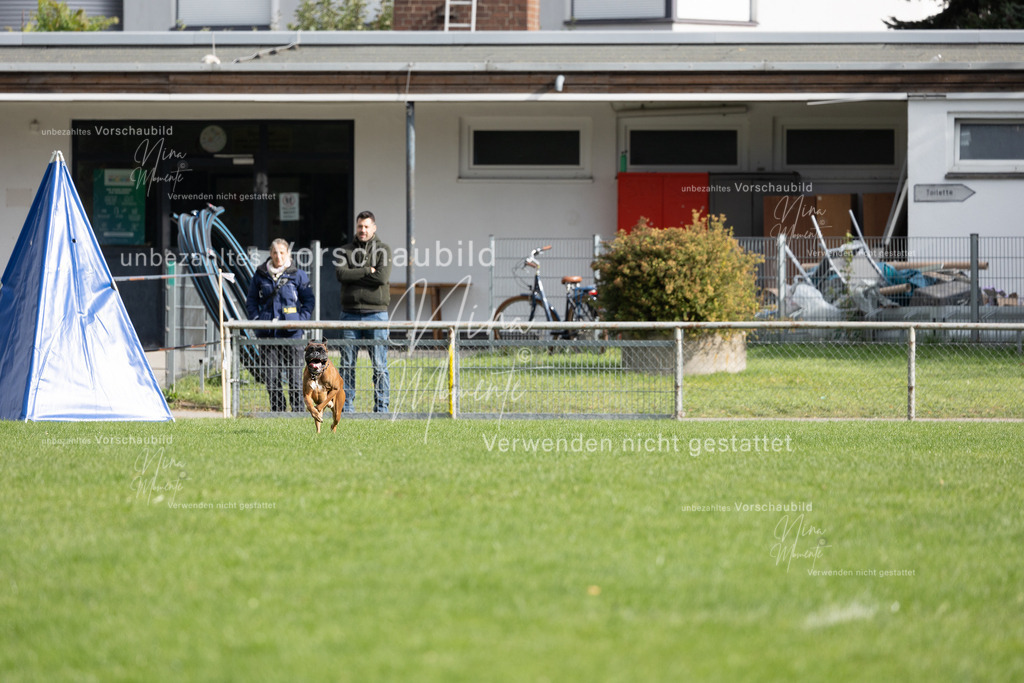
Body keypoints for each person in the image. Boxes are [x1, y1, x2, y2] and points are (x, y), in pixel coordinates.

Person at [245, 238, 315, 412]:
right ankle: (278, 411)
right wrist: (256, 321)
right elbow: (251, 300)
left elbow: (309, 300)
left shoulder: (297, 274)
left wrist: (301, 320)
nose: (278, 256)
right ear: (270, 254)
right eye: (275, 253)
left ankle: (298, 410)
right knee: (271, 376)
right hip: (268, 333)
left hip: (292, 333)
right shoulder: (260, 274)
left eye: (282, 252)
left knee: (295, 376)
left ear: (288, 254)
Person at [335, 210, 391, 413]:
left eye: (367, 226)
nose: (363, 230)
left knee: (379, 365)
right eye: (360, 226)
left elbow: (382, 279)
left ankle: (382, 408)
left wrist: (354, 274)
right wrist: (368, 270)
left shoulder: (383, 250)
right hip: (349, 314)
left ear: (374, 228)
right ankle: (346, 407)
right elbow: (341, 274)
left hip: (377, 314)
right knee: (347, 364)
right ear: (356, 227)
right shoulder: (345, 251)